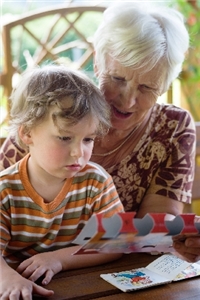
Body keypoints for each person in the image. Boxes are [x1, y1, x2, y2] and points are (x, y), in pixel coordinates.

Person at [0, 3, 199, 262]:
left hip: (109, 269)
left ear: (164, 85)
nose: (127, 101)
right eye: (117, 79)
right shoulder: (51, 117)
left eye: (147, 87)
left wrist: (179, 235)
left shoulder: (172, 127)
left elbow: (153, 226)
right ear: (97, 61)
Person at [0, 64, 124, 299]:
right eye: (65, 138)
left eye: (88, 139)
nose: (79, 152)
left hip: (83, 287)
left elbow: (114, 242)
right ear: (27, 133)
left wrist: (58, 260)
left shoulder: (95, 182)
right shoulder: (5, 190)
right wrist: (7, 277)